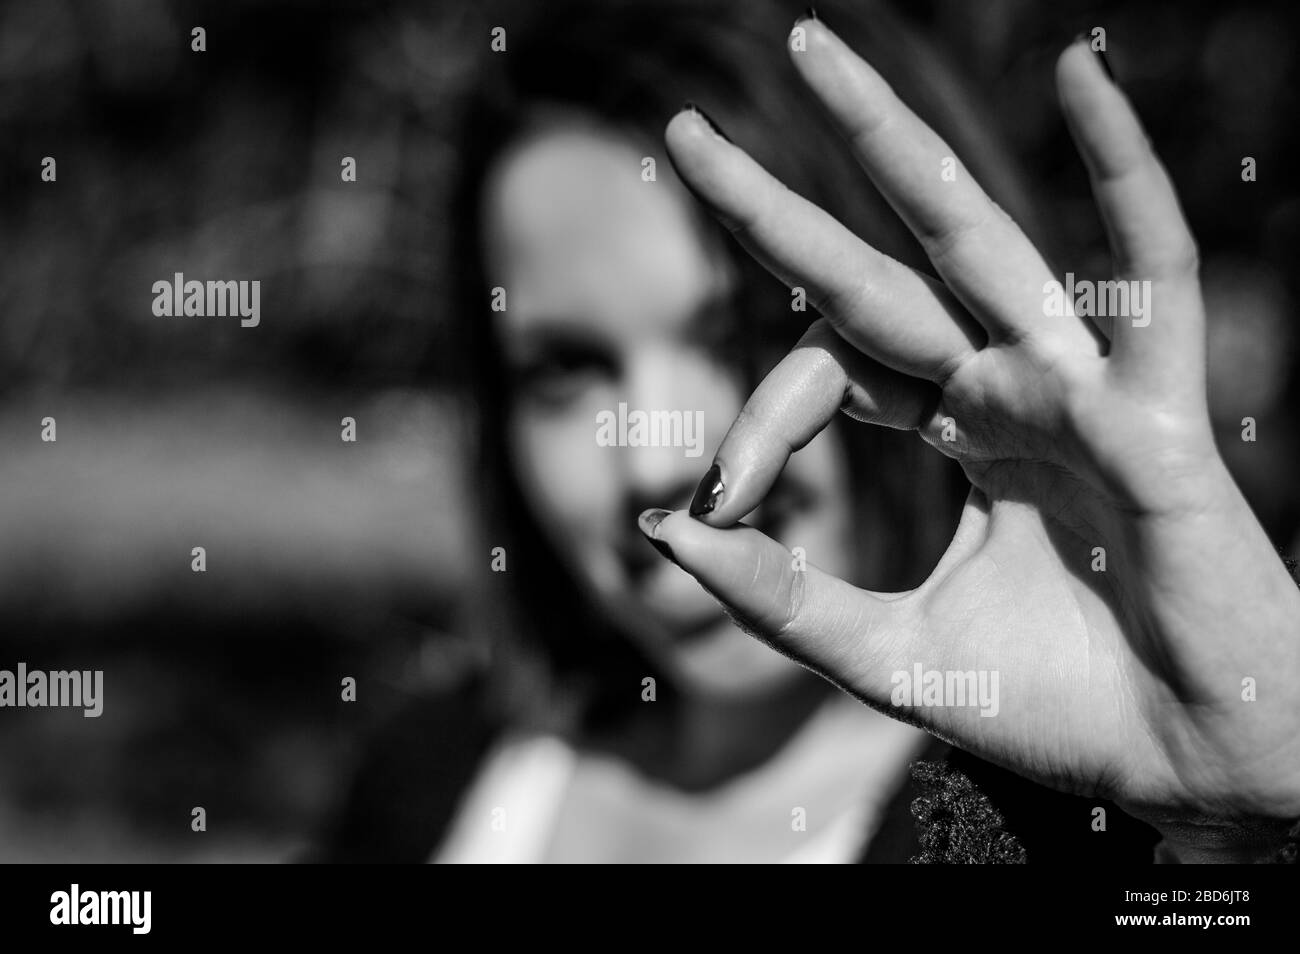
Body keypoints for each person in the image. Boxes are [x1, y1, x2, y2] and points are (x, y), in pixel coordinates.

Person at [315, 1, 1299, 863]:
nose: (653, 456)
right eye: (565, 372)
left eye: (739, 332)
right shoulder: (430, 773)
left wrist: (1235, 836)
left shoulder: (1055, 831)